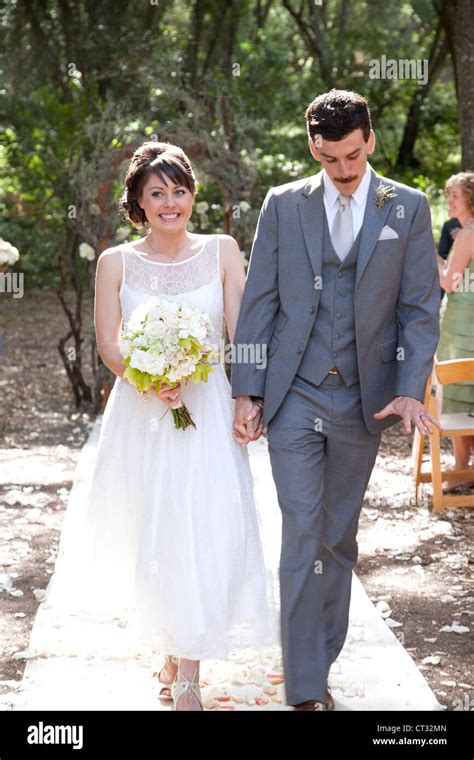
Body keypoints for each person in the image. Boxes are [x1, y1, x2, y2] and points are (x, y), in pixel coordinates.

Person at [43, 141, 276, 711]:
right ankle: (172, 645)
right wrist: (148, 378)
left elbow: (243, 333)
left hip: (208, 411)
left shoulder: (223, 250)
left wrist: (250, 397)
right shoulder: (115, 263)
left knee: (201, 525)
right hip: (142, 416)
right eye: (157, 193)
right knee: (153, 531)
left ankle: (190, 675)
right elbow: (106, 342)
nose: (170, 203)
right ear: (139, 202)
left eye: (179, 191)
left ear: (191, 195)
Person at [231, 89, 441, 711]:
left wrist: (408, 388)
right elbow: (259, 302)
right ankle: (305, 688)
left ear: (370, 140)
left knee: (336, 539)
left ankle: (318, 657)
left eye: (352, 156)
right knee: (301, 529)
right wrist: (247, 389)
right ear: (313, 149)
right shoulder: (283, 205)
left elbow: (418, 308)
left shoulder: (407, 207)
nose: (344, 172)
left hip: (364, 400)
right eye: (330, 160)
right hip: (293, 392)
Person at [436, 171, 474, 491]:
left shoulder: (468, 235)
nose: (449, 200)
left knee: (460, 388)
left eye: (455, 196)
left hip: (464, 324)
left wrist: (431, 257)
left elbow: (450, 283)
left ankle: (463, 470)